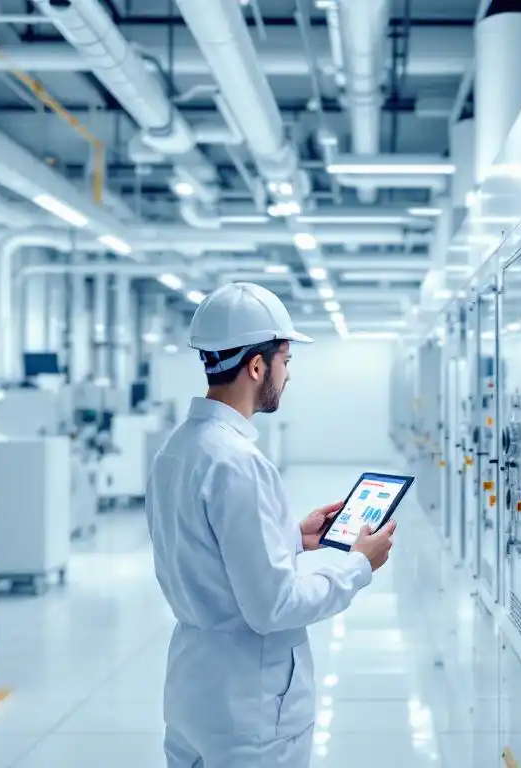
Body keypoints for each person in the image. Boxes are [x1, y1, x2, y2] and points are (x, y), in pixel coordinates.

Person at [145, 282, 397, 767]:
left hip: (192, 692)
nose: (288, 375)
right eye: (285, 360)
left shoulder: (176, 450)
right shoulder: (239, 462)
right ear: (256, 366)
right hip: (249, 709)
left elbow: (206, 553)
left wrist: (291, 538)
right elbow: (274, 607)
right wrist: (358, 567)